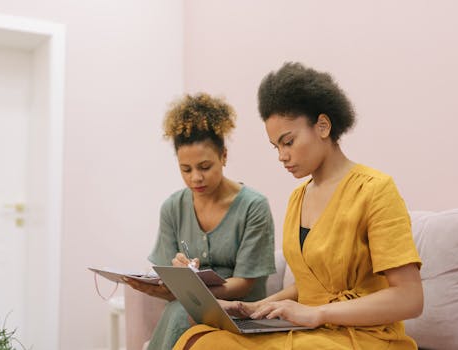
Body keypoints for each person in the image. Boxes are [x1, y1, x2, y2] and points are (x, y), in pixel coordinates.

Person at [174, 62, 424, 350]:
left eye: (288, 141)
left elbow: (409, 298)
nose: (282, 156)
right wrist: (252, 308)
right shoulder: (298, 198)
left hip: (364, 337)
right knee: (203, 338)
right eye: (276, 147)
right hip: (310, 332)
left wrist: (318, 314)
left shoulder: (375, 190)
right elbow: (310, 288)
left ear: (323, 126)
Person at [124, 92, 276, 350]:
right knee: (180, 310)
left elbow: (245, 283)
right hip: (186, 306)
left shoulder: (253, 206)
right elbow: (165, 273)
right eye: (186, 169)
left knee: (180, 310)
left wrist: (188, 294)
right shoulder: (173, 207)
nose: (196, 178)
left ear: (224, 156)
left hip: (242, 312)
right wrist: (172, 280)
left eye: (205, 167)